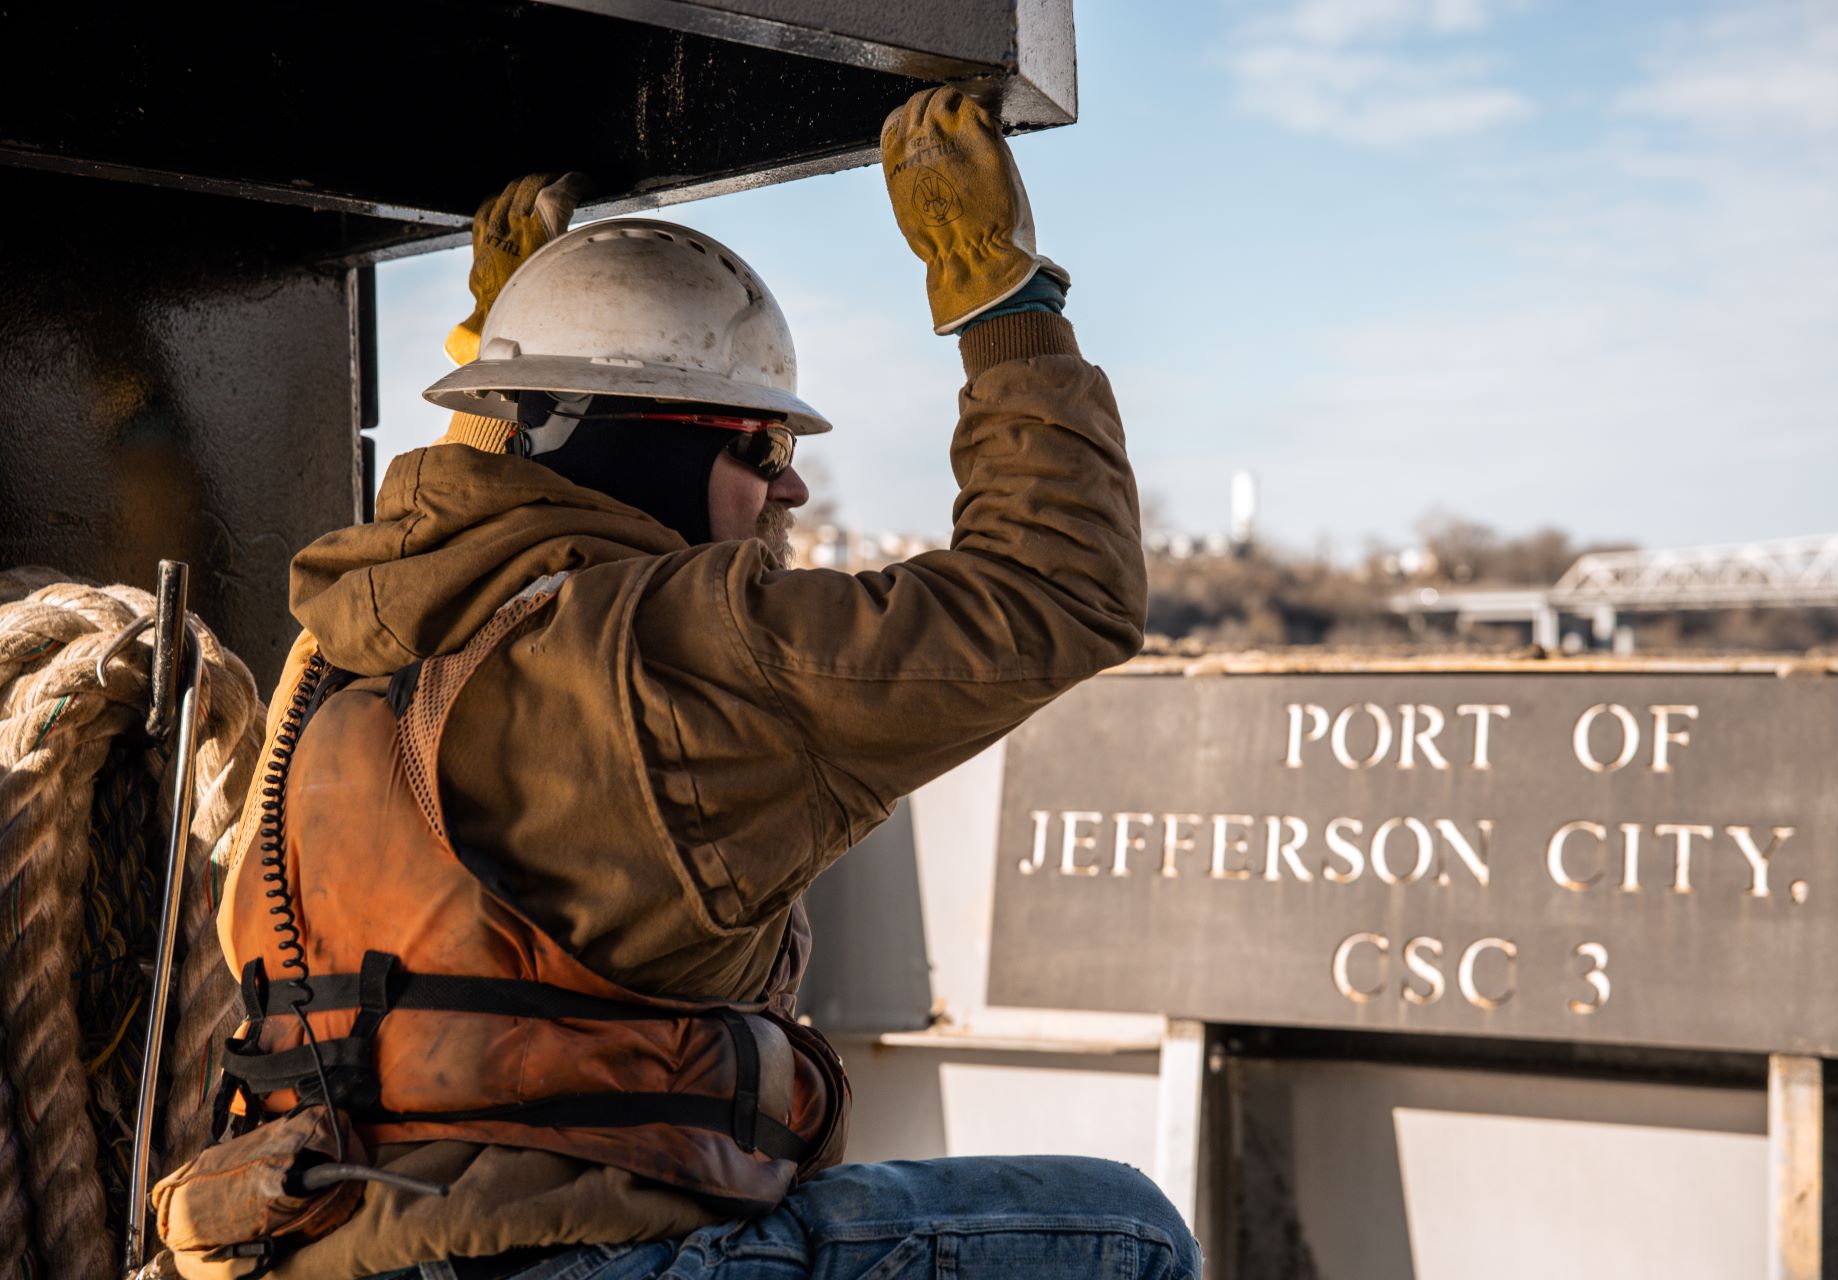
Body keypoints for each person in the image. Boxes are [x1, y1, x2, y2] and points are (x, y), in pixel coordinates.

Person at [188, 87, 1196, 1279]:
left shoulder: (352, 642)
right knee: (1128, 1233)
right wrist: (1001, 296)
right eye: (759, 449)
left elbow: (475, 524)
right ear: (662, 447)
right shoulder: (674, 651)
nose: (789, 493)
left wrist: (496, 344)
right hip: (556, 1252)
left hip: (316, 1242)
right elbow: (1059, 587)